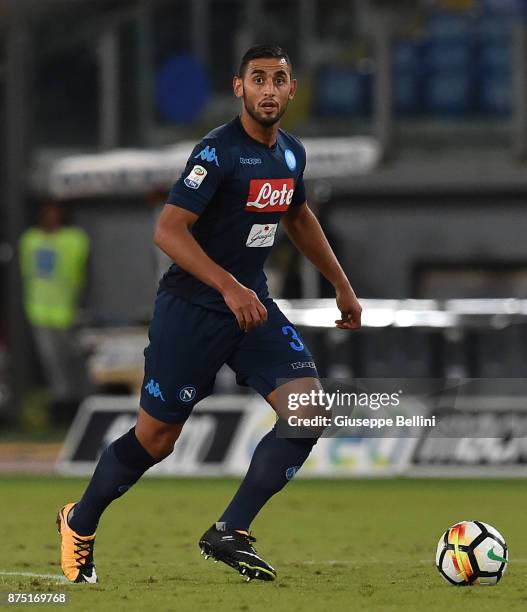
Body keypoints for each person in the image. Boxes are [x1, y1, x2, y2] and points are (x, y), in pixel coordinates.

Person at [56, 44, 362, 584]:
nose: (269, 89)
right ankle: (79, 521)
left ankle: (231, 530)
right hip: (192, 310)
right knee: (156, 441)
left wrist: (341, 285)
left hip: (251, 309)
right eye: (258, 78)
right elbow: (168, 230)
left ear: (292, 90)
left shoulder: (291, 155)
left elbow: (298, 215)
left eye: (279, 79)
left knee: (310, 410)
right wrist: (227, 286)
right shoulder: (216, 153)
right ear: (238, 87)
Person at [19, 201, 91, 425]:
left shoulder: (74, 238)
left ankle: (81, 403)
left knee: (75, 361)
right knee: (53, 363)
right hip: (40, 311)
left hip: (68, 310)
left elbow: (81, 269)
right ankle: (63, 407)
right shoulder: (30, 239)